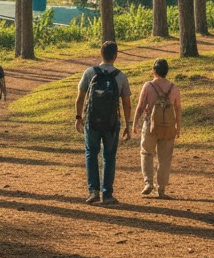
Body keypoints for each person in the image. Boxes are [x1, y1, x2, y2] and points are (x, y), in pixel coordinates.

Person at [75, 41, 132, 205]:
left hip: (91, 122)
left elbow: (80, 99)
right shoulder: (120, 76)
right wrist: (127, 125)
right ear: (116, 56)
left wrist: (79, 118)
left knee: (91, 154)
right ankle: (107, 194)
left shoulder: (89, 72)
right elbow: (127, 104)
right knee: (109, 156)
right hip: (112, 124)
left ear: (101, 54)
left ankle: (93, 191)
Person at [132, 58, 182, 198]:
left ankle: (148, 182)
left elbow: (141, 106)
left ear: (154, 71)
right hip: (168, 127)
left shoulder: (148, 86)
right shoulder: (174, 88)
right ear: (166, 72)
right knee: (165, 158)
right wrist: (178, 127)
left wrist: (135, 123)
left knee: (147, 153)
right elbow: (178, 109)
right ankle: (161, 189)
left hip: (150, 126)